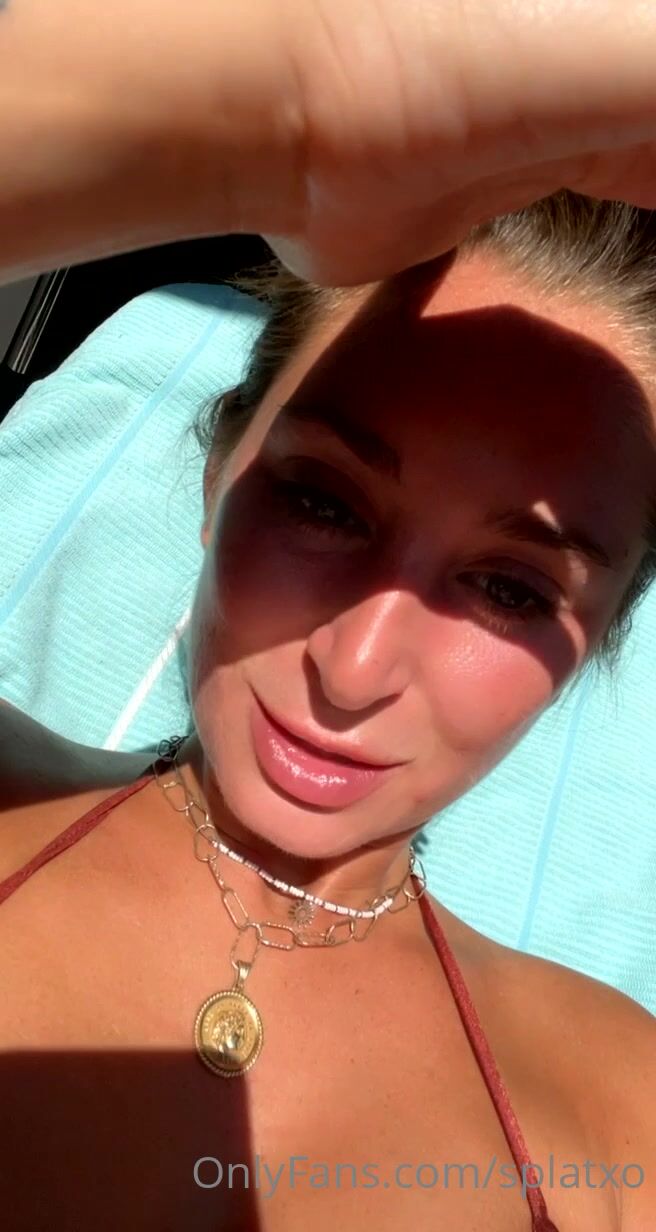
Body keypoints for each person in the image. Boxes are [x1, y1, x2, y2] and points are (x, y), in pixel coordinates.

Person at [0, 2, 655, 1231]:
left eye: (510, 587)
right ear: (218, 474)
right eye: (321, 501)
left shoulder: (623, 1109)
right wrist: (295, 110)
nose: (352, 672)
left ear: (598, 639)